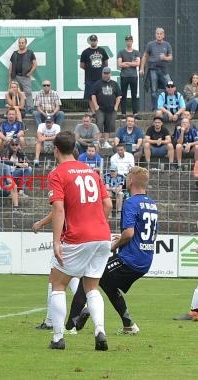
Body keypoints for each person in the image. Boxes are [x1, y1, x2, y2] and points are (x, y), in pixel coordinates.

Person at [66, 167, 157, 336]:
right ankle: (129, 325)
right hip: (145, 258)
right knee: (107, 283)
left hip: (130, 259)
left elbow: (129, 233)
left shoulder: (131, 202)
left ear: (130, 181)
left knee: (89, 276)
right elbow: (148, 233)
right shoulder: (151, 203)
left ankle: (70, 325)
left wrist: (114, 245)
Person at [47, 130, 112, 350]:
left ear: (56, 149)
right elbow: (108, 205)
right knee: (92, 287)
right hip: (103, 235)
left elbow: (58, 208)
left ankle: (57, 338)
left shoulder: (57, 174)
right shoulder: (92, 172)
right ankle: (100, 331)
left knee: (58, 284)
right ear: (75, 147)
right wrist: (97, 221)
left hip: (78, 236)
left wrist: (56, 241)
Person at [140, 27, 173, 111]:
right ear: (155, 35)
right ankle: (155, 108)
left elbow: (170, 58)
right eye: (157, 34)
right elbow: (145, 56)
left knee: (170, 86)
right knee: (154, 90)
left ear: (163, 35)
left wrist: (164, 58)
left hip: (163, 70)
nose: (159, 35)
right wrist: (142, 68)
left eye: (160, 34)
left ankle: (168, 107)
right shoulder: (150, 44)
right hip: (153, 69)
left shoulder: (167, 44)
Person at [92, 67, 121, 148]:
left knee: (108, 126)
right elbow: (93, 95)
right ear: (102, 74)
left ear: (110, 74)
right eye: (104, 73)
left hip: (111, 109)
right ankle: (97, 141)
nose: (106, 75)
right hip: (100, 109)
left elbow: (119, 96)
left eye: (107, 73)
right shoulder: (97, 84)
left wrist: (116, 107)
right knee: (99, 124)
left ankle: (105, 142)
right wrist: (96, 106)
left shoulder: (114, 84)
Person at [80, 34, 109, 114]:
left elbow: (106, 63)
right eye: (92, 40)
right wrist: (90, 68)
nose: (93, 42)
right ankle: (93, 112)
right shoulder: (85, 52)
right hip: (89, 77)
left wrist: (101, 71)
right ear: (90, 41)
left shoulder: (102, 50)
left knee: (100, 94)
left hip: (100, 77)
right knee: (90, 95)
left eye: (94, 40)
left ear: (97, 41)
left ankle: (99, 111)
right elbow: (82, 65)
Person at [8, 37, 37, 114]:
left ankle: (30, 108)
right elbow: (10, 66)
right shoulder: (14, 53)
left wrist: (30, 73)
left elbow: (35, 64)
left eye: (22, 43)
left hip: (25, 76)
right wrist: (10, 77)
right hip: (15, 76)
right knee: (15, 93)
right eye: (19, 43)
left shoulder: (30, 53)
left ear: (25, 43)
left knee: (27, 92)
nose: (21, 44)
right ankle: (19, 108)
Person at [117, 35, 140, 119]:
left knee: (134, 95)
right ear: (125, 42)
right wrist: (131, 63)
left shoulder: (136, 52)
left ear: (132, 41)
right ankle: (123, 113)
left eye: (130, 40)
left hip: (133, 76)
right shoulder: (121, 52)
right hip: (124, 76)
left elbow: (137, 64)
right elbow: (119, 64)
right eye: (127, 40)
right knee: (123, 95)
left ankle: (135, 113)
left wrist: (126, 63)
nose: (129, 42)